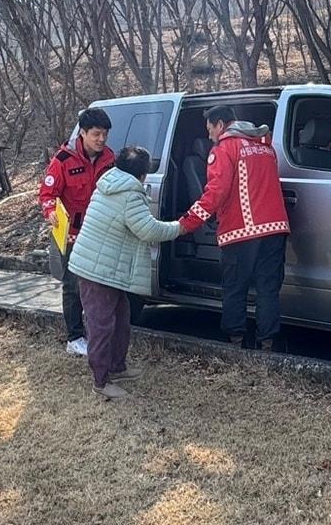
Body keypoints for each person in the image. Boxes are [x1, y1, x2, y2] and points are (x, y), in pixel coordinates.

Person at [68, 146, 183, 400]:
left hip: (104, 267)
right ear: (143, 174)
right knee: (102, 325)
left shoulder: (109, 182)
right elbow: (148, 230)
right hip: (97, 270)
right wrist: (180, 227)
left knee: (121, 318)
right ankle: (101, 381)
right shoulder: (129, 193)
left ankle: (117, 367)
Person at [179, 105, 290, 350]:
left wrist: (187, 223)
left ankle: (235, 342)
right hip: (275, 229)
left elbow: (215, 193)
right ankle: (268, 344)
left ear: (220, 124)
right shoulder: (265, 147)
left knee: (234, 288)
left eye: (210, 130)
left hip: (242, 231)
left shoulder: (225, 149)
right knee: (268, 289)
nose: (209, 136)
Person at [39, 107, 115, 356]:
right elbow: (47, 194)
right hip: (72, 234)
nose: (101, 139)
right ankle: (74, 337)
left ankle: (99, 332)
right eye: (96, 134)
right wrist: (50, 211)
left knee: (101, 284)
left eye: (104, 134)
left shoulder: (109, 158)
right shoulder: (63, 160)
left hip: (101, 232)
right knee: (73, 286)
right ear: (82, 133)